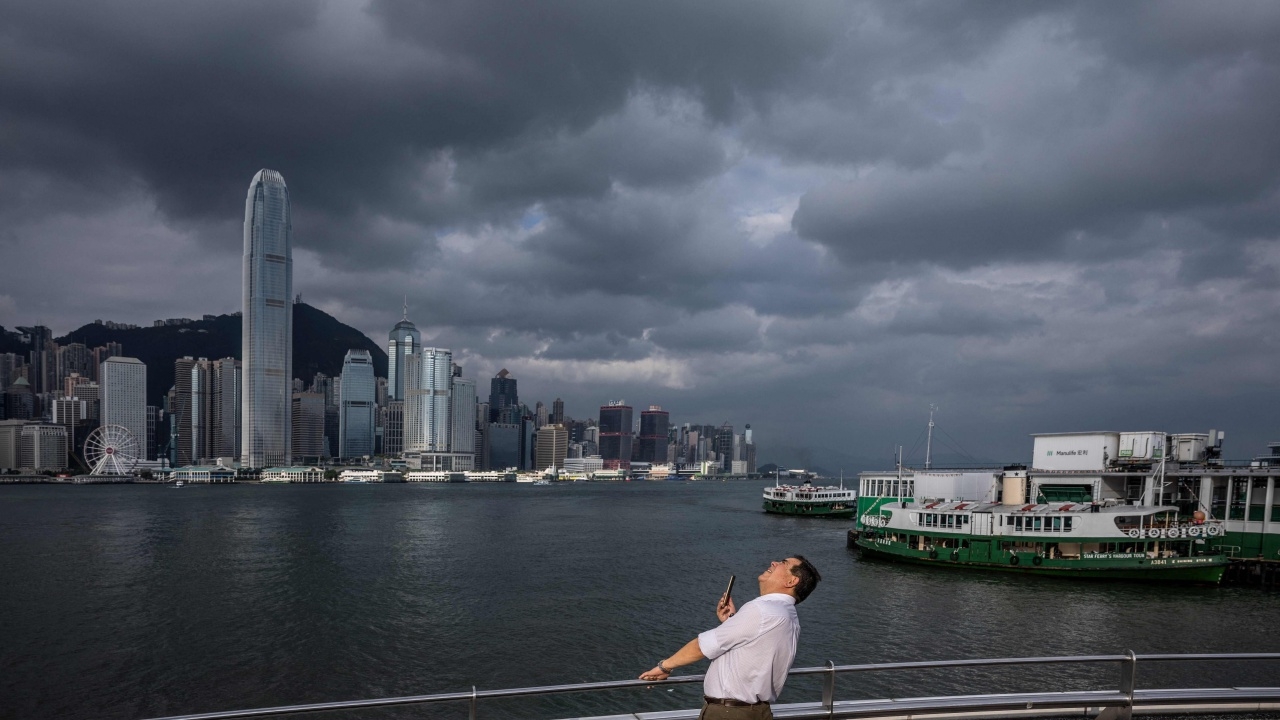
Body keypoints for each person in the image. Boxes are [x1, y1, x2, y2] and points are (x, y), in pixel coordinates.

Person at [639, 556, 821, 719]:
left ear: (791, 580)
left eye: (783, 563)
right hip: (757, 711)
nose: (774, 562)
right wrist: (731, 621)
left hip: (730, 713)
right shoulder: (788, 616)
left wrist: (665, 667)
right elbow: (754, 650)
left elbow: (702, 646)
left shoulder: (762, 609)